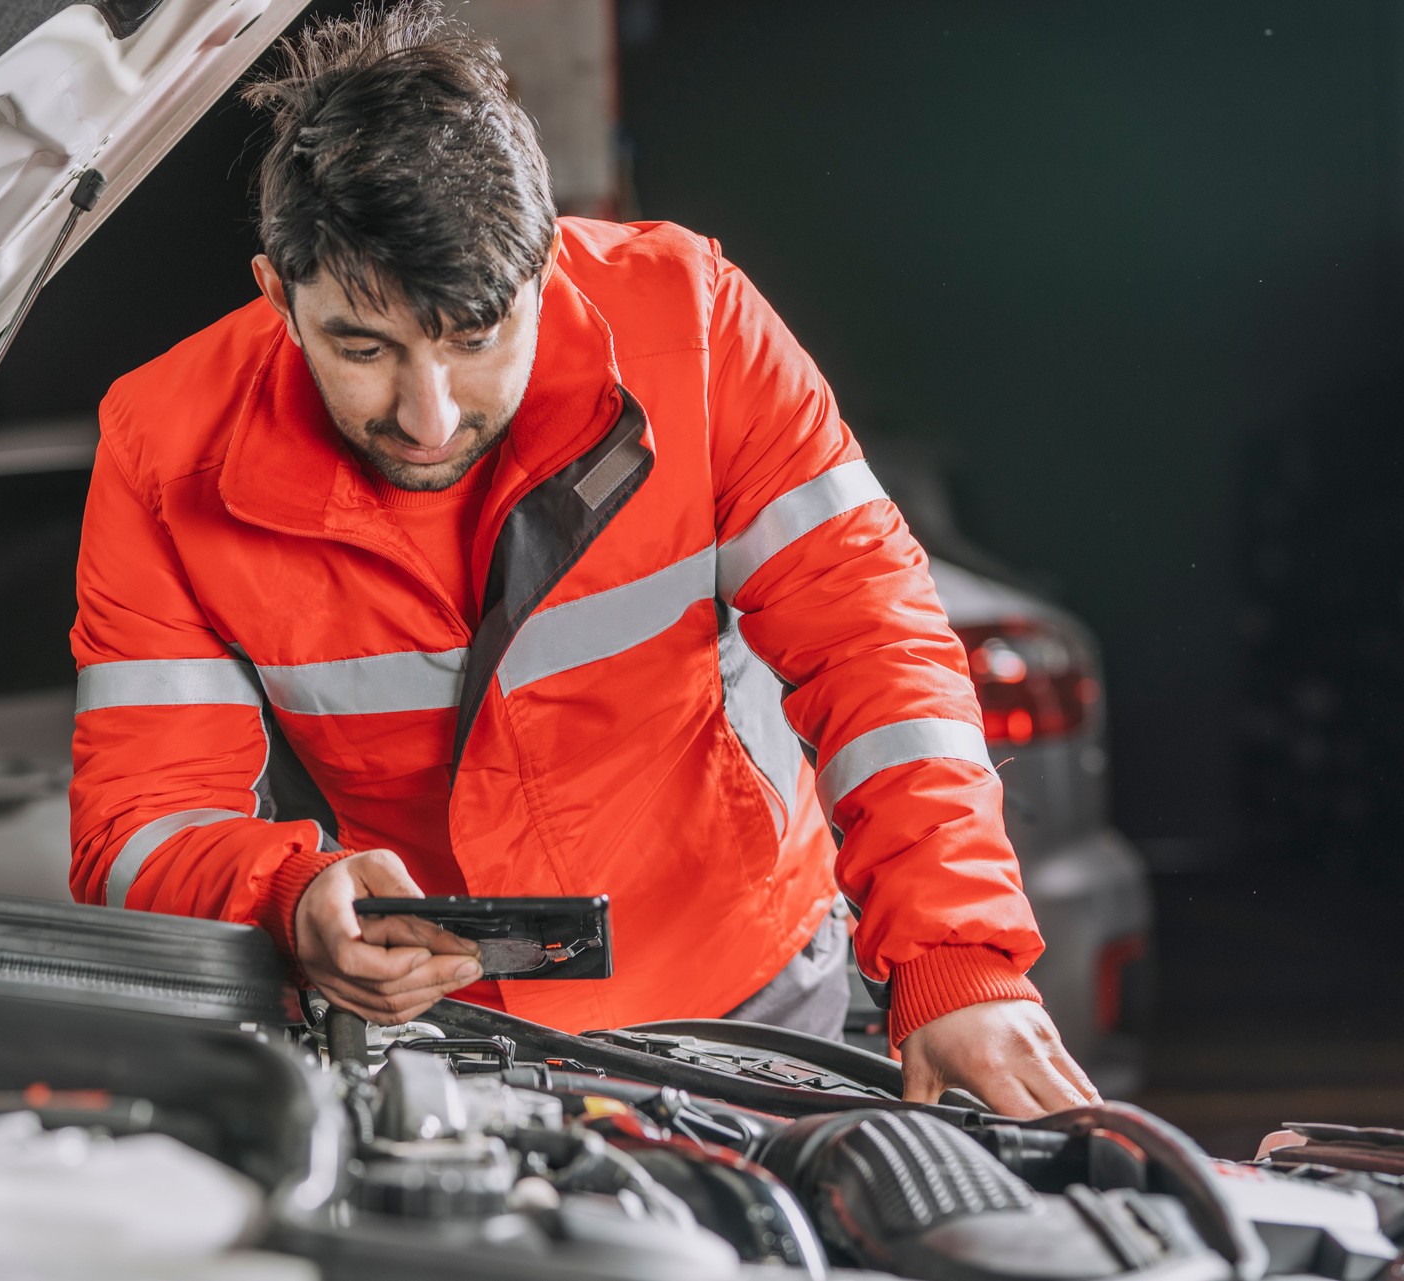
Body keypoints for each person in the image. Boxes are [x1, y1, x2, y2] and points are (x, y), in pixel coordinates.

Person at [68, 1, 1098, 1117]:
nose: (427, 415)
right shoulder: (163, 448)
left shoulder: (697, 330)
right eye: (363, 349)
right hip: (442, 1042)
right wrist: (288, 897)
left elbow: (871, 642)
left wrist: (958, 959)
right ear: (280, 297)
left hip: (748, 993)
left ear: (548, 264)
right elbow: (143, 817)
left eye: (475, 340)